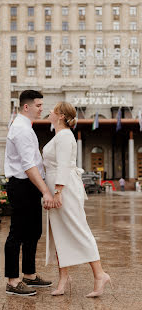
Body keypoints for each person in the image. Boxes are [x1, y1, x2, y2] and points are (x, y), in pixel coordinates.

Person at [43, 102, 112, 297]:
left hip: (64, 190)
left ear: (61, 116)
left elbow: (64, 166)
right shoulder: (59, 135)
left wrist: (57, 192)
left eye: (52, 110)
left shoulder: (65, 136)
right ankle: (64, 277)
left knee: (79, 229)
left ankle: (100, 274)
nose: (49, 111)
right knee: (59, 233)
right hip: (59, 189)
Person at [4, 90, 56, 296]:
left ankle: (29, 275)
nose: (42, 109)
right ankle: (13, 281)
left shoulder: (26, 127)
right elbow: (28, 166)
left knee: (33, 232)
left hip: (30, 185)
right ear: (27, 107)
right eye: (38, 105)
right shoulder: (21, 129)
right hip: (22, 185)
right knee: (17, 233)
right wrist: (46, 191)